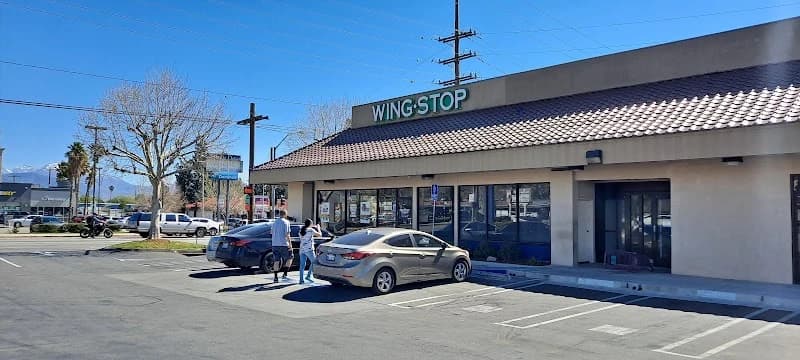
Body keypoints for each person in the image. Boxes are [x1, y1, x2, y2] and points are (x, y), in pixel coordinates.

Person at [270, 210, 293, 283]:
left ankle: (276, 277)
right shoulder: (286, 222)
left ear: (279, 214)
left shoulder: (274, 222)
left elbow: (271, 233)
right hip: (283, 244)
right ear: (285, 214)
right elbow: (287, 234)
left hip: (275, 244)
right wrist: (290, 244)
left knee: (276, 261)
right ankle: (285, 274)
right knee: (290, 257)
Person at [298, 219, 321, 284]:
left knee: (302, 265)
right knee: (314, 262)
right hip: (309, 249)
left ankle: (301, 280)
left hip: (302, 249)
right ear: (310, 224)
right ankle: (308, 276)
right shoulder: (310, 230)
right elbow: (319, 235)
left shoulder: (301, 230)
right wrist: (318, 228)